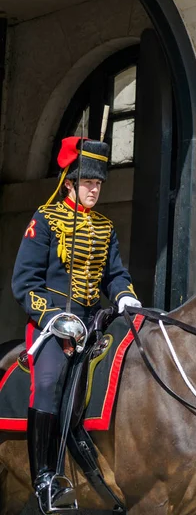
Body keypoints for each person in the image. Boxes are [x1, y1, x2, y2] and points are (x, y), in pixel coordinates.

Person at [12, 136, 141, 514]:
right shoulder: (45, 219)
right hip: (52, 323)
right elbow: (24, 281)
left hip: (93, 322)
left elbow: (115, 275)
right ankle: (44, 479)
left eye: (98, 184)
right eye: (88, 183)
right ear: (69, 182)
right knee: (49, 382)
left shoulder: (105, 227)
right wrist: (52, 318)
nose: (94, 190)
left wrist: (124, 295)